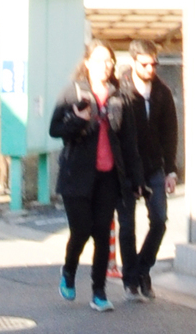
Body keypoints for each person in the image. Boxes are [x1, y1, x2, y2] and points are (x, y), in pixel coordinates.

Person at [49, 39, 128, 311]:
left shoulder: (118, 96)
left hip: (107, 176)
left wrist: (135, 180)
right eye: (99, 60)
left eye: (109, 61)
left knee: (102, 233)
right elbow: (55, 129)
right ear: (87, 63)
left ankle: (99, 292)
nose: (105, 66)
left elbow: (127, 140)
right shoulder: (73, 93)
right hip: (77, 175)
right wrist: (78, 119)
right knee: (80, 230)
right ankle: (69, 272)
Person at [119, 43, 179, 301]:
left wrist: (171, 171)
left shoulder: (162, 93)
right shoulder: (120, 90)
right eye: (144, 64)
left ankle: (142, 270)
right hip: (126, 169)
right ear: (133, 62)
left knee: (159, 220)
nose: (150, 68)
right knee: (127, 225)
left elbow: (170, 133)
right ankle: (130, 279)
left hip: (154, 166)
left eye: (154, 63)